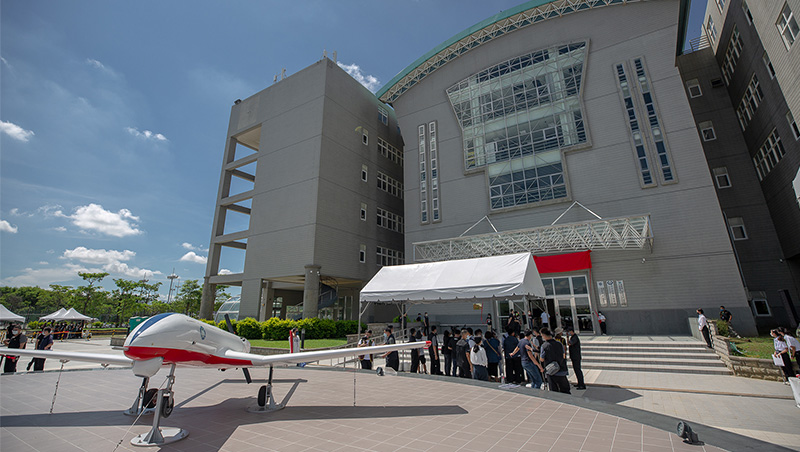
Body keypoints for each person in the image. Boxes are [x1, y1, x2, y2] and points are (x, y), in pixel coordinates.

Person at [539, 328, 570, 394]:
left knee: (554, 391)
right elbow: (564, 355)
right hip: (561, 369)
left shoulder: (544, 346)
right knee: (565, 390)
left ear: (544, 335)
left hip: (551, 371)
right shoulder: (559, 343)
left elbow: (541, 359)